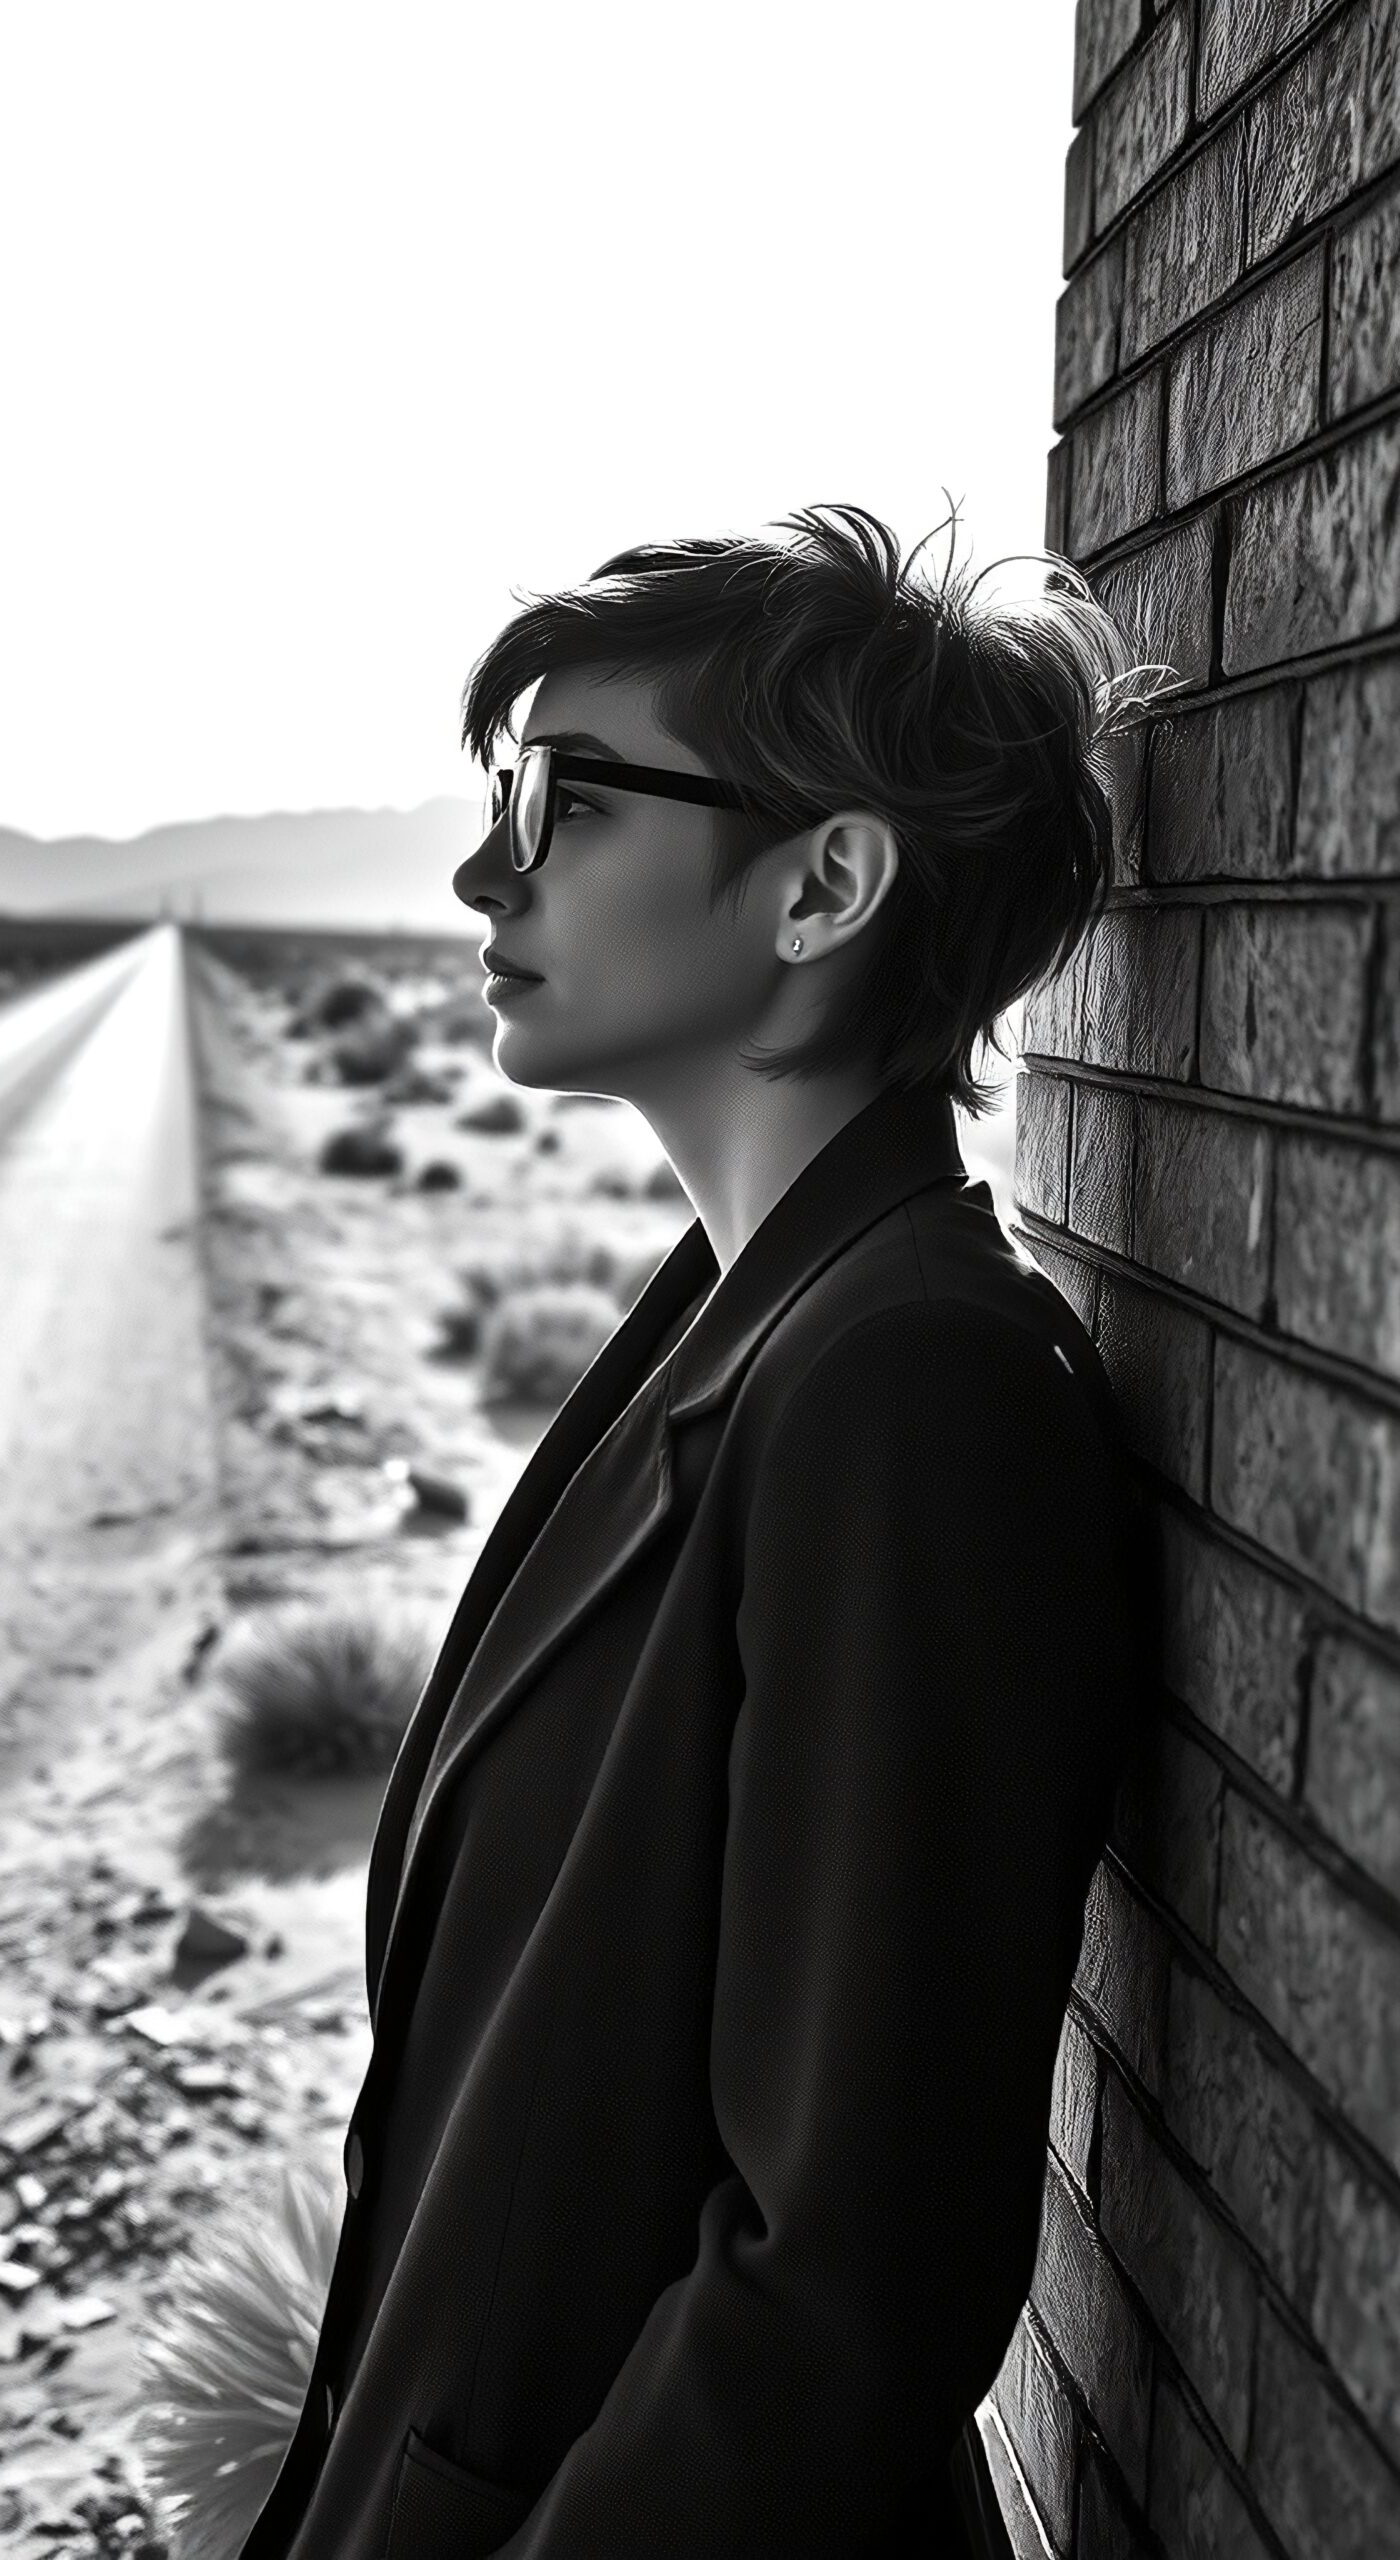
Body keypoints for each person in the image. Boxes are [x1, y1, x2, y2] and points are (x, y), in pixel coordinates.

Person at [232, 505, 1165, 2559]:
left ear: (823, 878)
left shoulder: (908, 1387)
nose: (485, 866)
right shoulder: (750, 1325)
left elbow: (843, 2283)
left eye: (551, 797)